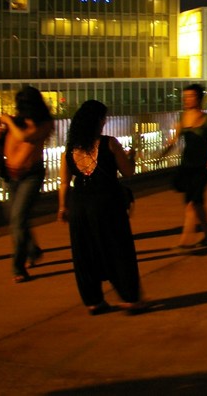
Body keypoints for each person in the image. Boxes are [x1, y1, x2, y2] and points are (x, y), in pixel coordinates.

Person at [58, 100, 143, 314]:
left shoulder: (68, 152)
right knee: (118, 248)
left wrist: (62, 207)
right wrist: (132, 155)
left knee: (84, 252)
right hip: (107, 201)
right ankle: (129, 297)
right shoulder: (110, 144)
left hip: (79, 204)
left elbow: (63, 183)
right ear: (98, 121)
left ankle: (93, 301)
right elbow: (128, 172)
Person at [0, 86, 54, 283]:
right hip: (11, 175)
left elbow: (25, 137)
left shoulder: (44, 123)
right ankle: (32, 250)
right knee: (14, 218)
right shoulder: (17, 121)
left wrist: (8, 121)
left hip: (31, 175)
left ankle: (18, 266)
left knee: (19, 217)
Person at [160, 84, 207, 250]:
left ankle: (185, 241)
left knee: (191, 203)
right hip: (187, 165)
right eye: (185, 97)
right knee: (197, 203)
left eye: (191, 96)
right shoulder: (183, 118)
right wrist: (162, 153)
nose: (187, 100)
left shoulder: (206, 119)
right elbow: (174, 139)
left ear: (199, 98)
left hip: (202, 165)